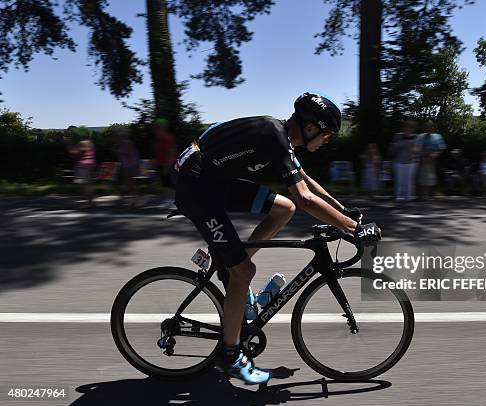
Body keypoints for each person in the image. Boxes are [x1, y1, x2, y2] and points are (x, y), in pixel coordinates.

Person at [174, 92, 380, 385]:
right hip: (197, 188)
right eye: (326, 135)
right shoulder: (274, 135)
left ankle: (232, 272)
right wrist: (352, 229)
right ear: (310, 128)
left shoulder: (281, 138)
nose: (326, 142)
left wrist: (343, 210)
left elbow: (305, 182)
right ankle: (230, 355)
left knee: (284, 208)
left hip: (212, 180)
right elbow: (307, 200)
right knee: (244, 271)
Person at [63, 126, 96, 207]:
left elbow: (75, 153)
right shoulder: (90, 142)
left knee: (83, 184)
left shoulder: (82, 143)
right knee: (87, 184)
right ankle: (90, 201)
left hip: (83, 166)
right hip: (90, 164)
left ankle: (89, 202)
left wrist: (68, 144)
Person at [389, 120, 420, 201]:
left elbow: (417, 150)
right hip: (398, 162)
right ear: (403, 128)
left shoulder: (416, 137)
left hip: (411, 162)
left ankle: (408, 198)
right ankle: (398, 198)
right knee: (399, 181)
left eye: (410, 127)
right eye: (407, 127)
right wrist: (401, 142)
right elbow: (393, 149)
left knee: (409, 181)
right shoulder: (398, 136)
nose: (408, 129)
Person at [152, 118, 178, 208]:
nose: (155, 128)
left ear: (162, 127)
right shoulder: (158, 138)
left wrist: (168, 164)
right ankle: (167, 201)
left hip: (168, 163)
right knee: (165, 183)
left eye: (157, 126)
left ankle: (174, 202)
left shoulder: (167, 137)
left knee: (170, 183)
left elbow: (171, 150)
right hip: (162, 163)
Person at [417, 121, 446, 199]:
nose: (429, 128)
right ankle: (423, 195)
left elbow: (442, 148)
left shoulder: (438, 136)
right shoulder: (420, 136)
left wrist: (434, 155)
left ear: (433, 127)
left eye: (430, 126)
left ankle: (431, 194)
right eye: (427, 126)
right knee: (422, 177)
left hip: (433, 159)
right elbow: (416, 147)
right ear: (425, 127)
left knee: (432, 177)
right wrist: (422, 157)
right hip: (422, 159)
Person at [115, 128, 140, 206]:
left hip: (130, 165)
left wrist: (120, 152)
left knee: (130, 183)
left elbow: (128, 154)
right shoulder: (124, 142)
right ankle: (131, 199)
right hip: (127, 165)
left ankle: (134, 199)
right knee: (128, 183)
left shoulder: (125, 142)